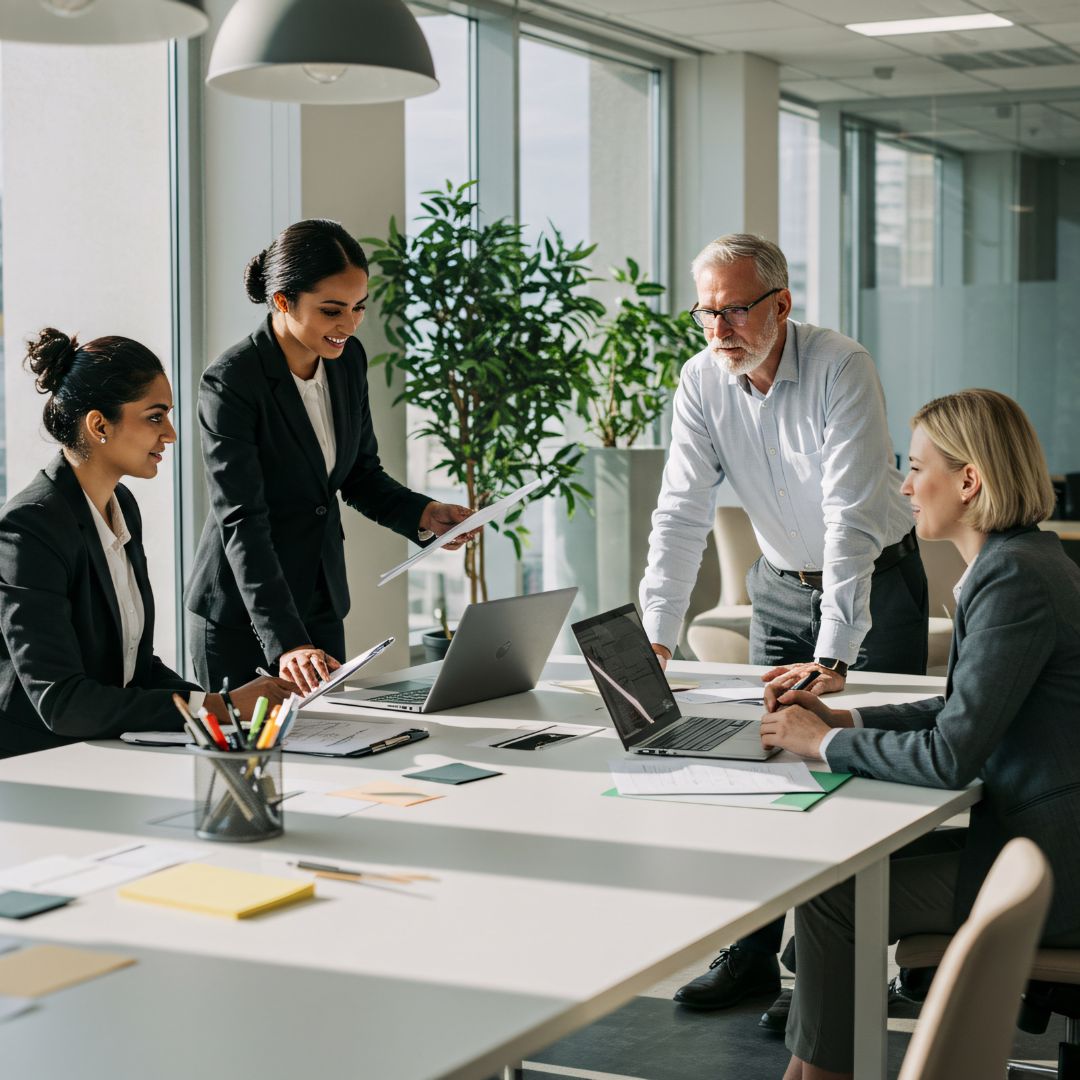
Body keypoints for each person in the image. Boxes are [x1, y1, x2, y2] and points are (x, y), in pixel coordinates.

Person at [640, 234, 929, 1017]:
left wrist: (836, 649)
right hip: (776, 588)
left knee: (861, 767)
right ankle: (753, 955)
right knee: (761, 767)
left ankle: (847, 974)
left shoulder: (841, 365)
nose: (720, 328)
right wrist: (656, 635)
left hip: (875, 581)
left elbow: (848, 519)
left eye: (735, 310)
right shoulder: (701, 381)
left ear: (781, 304)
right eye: (707, 312)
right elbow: (680, 513)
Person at [760, 389, 1080, 1080]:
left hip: (1060, 864)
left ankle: (818, 1077)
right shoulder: (1019, 559)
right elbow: (960, 708)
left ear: (970, 481)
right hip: (1040, 827)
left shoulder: (1015, 576)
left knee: (835, 893)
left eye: (916, 467)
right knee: (841, 875)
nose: (904, 486)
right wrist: (842, 719)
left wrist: (816, 745)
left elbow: (948, 755)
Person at [185, 219, 477, 695]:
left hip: (320, 602)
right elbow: (242, 519)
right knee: (250, 764)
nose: (349, 324)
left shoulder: (348, 361)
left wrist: (424, 514)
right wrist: (286, 643)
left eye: (359, 307)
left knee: (331, 754)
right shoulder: (232, 382)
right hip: (243, 617)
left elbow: (360, 473)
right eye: (331, 310)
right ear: (282, 301)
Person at [0, 329, 291, 759]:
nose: (170, 433)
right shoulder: (29, 528)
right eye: (155, 416)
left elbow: (135, 668)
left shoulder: (122, 505)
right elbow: (62, 703)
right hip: (39, 765)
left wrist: (221, 712)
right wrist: (218, 707)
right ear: (99, 424)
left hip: (103, 750)